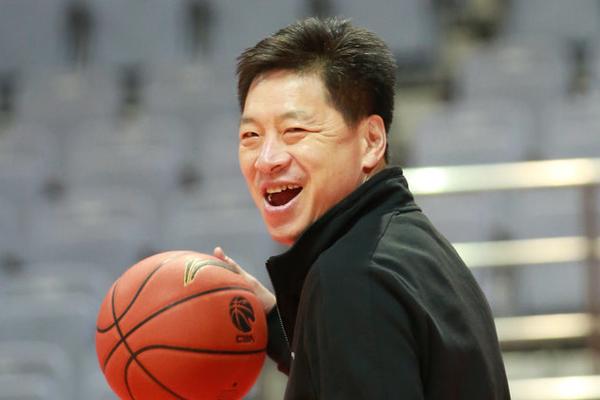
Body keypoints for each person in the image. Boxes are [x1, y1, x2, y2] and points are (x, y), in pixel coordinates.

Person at [213, 17, 511, 399]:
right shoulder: (412, 244)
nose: (266, 159)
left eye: (295, 131)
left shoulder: (352, 278)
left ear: (371, 141)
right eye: (250, 135)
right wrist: (276, 323)